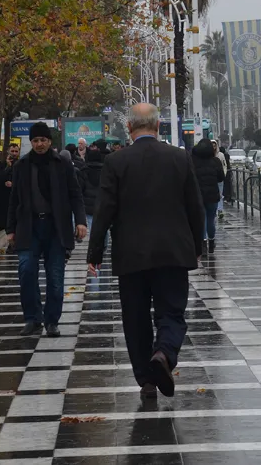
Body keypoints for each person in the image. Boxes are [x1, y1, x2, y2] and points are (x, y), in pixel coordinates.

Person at [87, 103, 204, 399]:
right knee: (172, 312)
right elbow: (195, 206)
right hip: (173, 252)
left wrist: (95, 253)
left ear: (129, 127)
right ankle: (163, 353)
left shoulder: (116, 162)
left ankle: (146, 380)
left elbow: (104, 210)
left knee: (135, 317)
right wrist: (197, 246)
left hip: (131, 254)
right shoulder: (179, 158)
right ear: (158, 125)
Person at [7, 122, 87, 337]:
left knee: (55, 276)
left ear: (49, 141)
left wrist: (80, 221)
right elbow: (14, 200)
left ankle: (52, 320)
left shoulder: (62, 163)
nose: (39, 144)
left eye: (43, 140)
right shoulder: (22, 165)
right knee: (26, 270)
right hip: (29, 227)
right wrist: (10, 229)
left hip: (55, 228)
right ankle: (32, 318)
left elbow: (75, 194)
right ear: (31, 142)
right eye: (35, 140)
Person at [193, 139, 226, 252]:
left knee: (202, 219)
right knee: (211, 219)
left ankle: (203, 242)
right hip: (212, 195)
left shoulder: (193, 161)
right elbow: (221, 178)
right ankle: (211, 242)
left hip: (198, 195)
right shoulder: (216, 161)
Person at [80, 147, 105, 231]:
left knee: (91, 223)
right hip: (102, 202)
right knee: (103, 225)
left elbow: (81, 188)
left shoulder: (83, 170)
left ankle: (94, 238)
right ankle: (103, 239)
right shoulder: (106, 170)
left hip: (88, 204)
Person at [211, 140, 227, 220]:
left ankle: (220, 210)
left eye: (215, 146)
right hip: (211, 178)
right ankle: (214, 211)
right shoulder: (208, 155)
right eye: (212, 146)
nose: (213, 147)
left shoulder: (221, 155)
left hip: (219, 178)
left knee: (220, 194)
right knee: (212, 195)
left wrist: (224, 174)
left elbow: (224, 165)